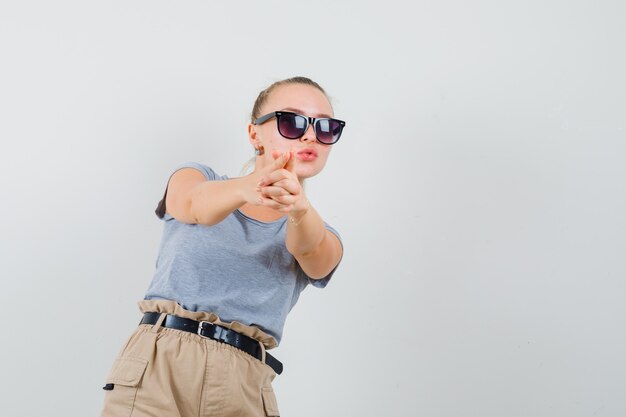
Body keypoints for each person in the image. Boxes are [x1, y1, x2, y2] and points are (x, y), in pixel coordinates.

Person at [99, 76, 345, 417]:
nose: (309, 135)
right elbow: (192, 206)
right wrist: (252, 186)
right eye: (292, 121)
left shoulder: (318, 231)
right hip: (158, 365)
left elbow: (312, 252)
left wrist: (299, 208)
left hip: (242, 381)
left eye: (326, 128)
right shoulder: (197, 177)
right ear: (253, 134)